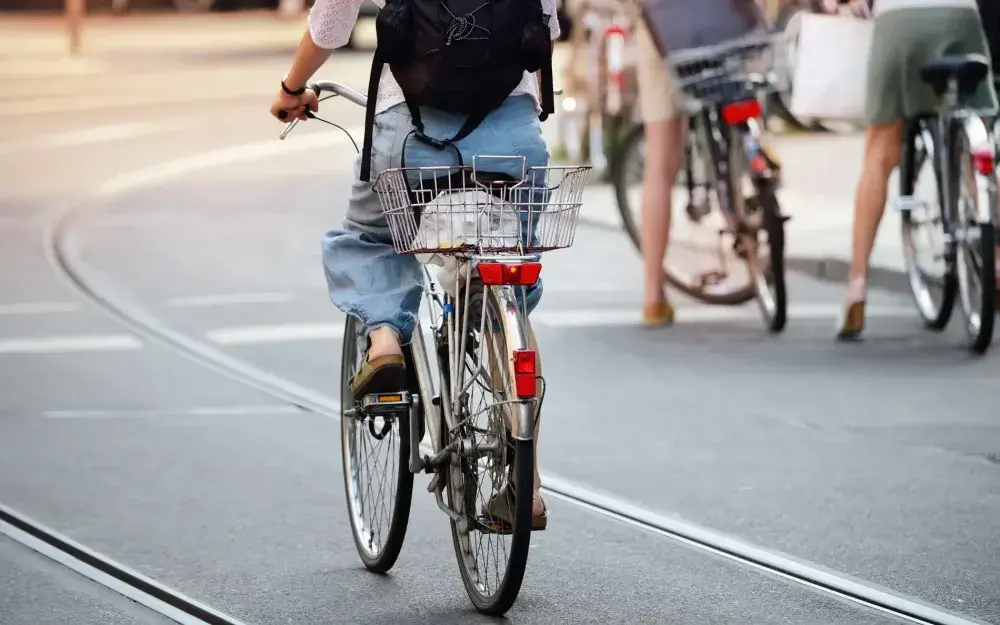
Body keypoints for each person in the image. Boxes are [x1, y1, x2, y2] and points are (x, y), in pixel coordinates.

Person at [269, 0, 560, 529]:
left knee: (372, 238)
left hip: (410, 138)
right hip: (512, 146)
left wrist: (292, 89)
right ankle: (529, 487)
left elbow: (330, 25)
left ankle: (383, 340)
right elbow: (544, 32)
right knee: (507, 290)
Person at [837, 0, 999, 340]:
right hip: (960, 17)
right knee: (977, 136)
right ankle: (992, 251)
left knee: (878, 151)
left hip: (898, 22)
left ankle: (857, 285)